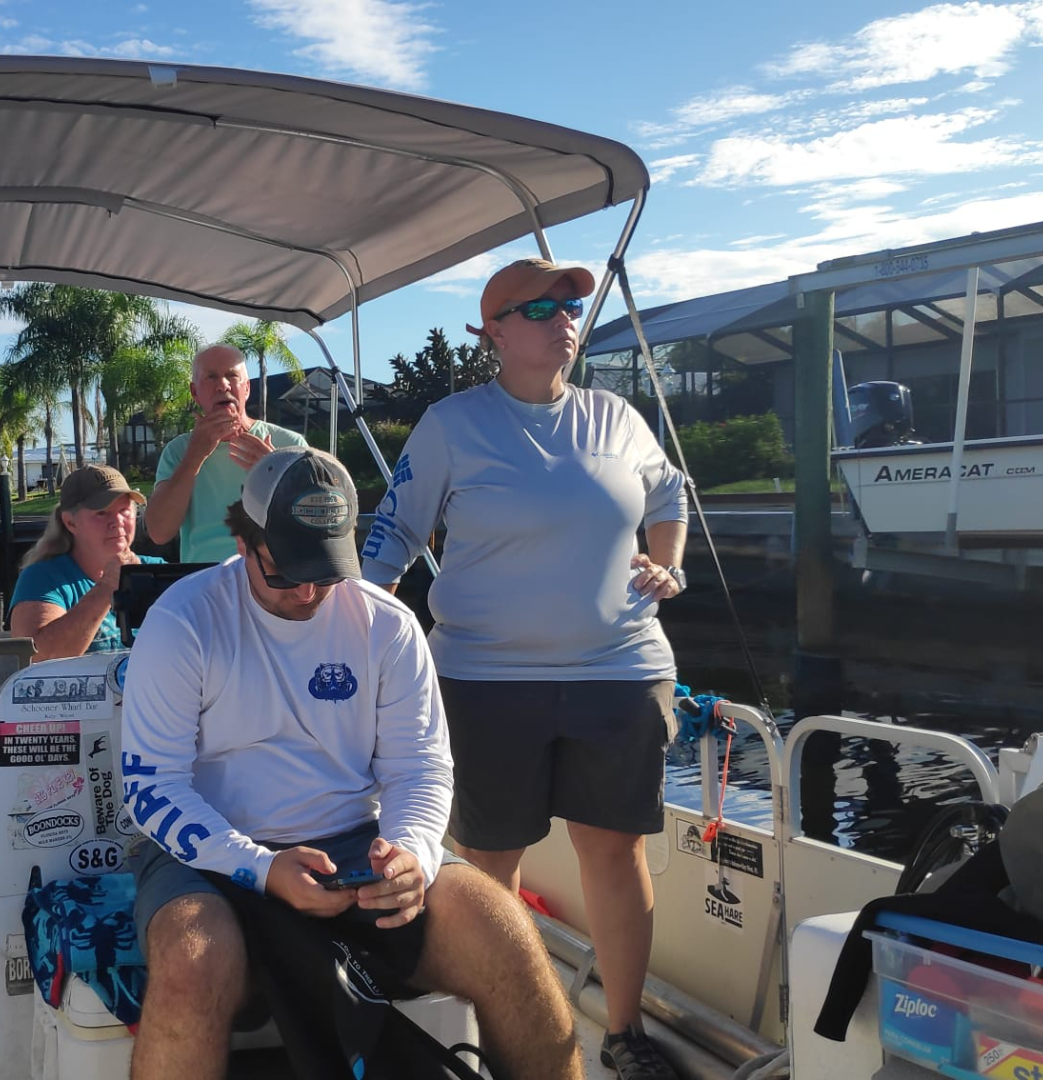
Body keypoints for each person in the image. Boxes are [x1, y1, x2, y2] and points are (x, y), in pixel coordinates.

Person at [120, 447, 580, 1080]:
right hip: (208, 855)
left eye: (327, 571)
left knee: (506, 928)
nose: (309, 591)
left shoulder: (386, 625)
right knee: (192, 961)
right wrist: (263, 867)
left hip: (358, 846)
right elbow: (152, 789)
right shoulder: (183, 622)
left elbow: (419, 768)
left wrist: (413, 853)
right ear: (244, 539)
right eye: (285, 573)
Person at [359, 258, 690, 1080]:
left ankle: (623, 1032)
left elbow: (668, 495)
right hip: (484, 680)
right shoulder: (450, 424)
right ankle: (507, 1032)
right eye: (539, 306)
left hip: (620, 669)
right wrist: (352, 624)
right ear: (493, 332)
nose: (564, 317)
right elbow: (393, 535)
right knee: (489, 862)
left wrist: (665, 565)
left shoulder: (616, 417)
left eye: (571, 304)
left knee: (614, 853)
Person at [143, 343, 307, 562]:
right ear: (195, 393)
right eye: (211, 377)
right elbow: (159, 533)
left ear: (247, 388)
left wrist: (275, 476)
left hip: (273, 579)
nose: (223, 385)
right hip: (203, 583)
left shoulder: (290, 444)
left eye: (232, 376)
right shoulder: (178, 451)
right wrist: (195, 455)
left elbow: (310, 524)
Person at [8, 464, 164, 659]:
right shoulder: (43, 578)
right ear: (70, 523)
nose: (117, 521)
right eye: (102, 513)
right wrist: (108, 586)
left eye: (124, 510)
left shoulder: (156, 570)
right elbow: (37, 658)